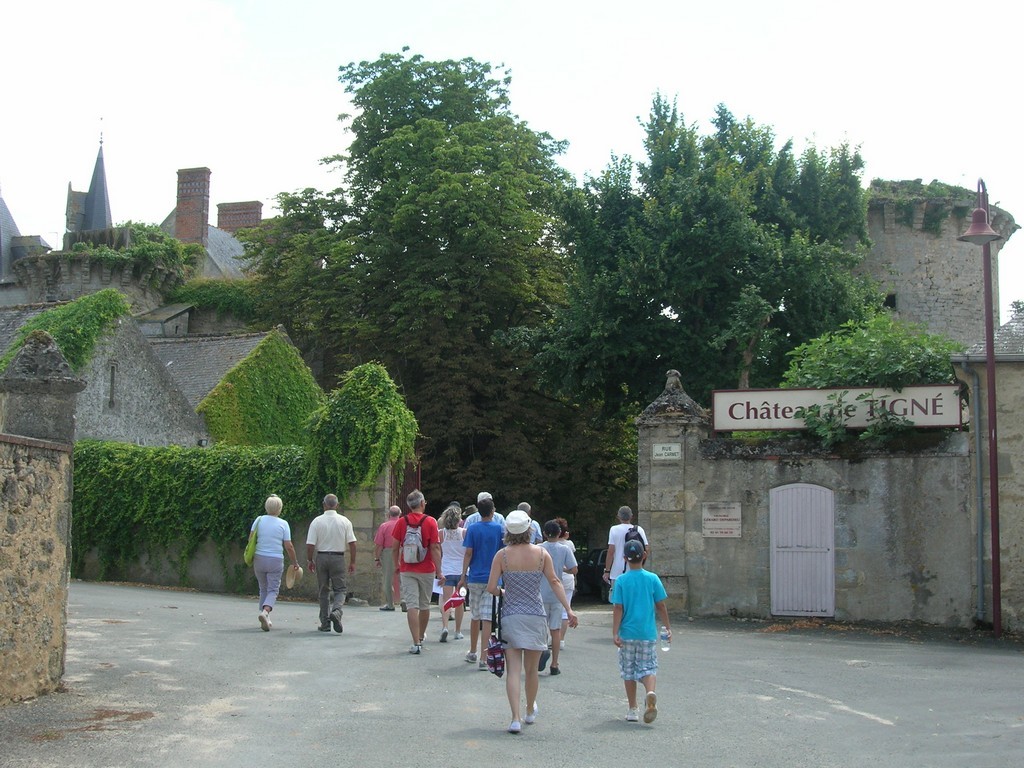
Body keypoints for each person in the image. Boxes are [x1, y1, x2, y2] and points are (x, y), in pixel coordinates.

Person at [487, 510, 578, 734]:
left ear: (508, 531)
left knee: (514, 670)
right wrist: (569, 609)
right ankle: (529, 710)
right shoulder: (540, 553)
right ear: (530, 530)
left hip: (511, 616)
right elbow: (555, 581)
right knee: (531, 671)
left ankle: (514, 718)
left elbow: (491, 588)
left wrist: (503, 591)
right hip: (536, 615)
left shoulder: (502, 556)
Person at [612, 539, 670, 724]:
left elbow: (618, 608)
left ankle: (632, 709)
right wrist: (667, 627)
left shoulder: (621, 581)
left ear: (624, 558)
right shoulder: (652, 578)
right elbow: (660, 605)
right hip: (647, 633)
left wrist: (615, 632)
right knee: (648, 667)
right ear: (644, 555)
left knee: (628, 671)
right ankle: (650, 693)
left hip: (627, 633)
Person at [391, 489, 442, 654]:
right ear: (422, 503)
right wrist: (439, 571)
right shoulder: (431, 521)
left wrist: (396, 564)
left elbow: (394, 547)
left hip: (407, 568)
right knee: (424, 604)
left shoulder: (401, 522)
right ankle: (420, 636)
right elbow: (434, 547)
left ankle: (415, 643)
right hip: (426, 568)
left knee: (412, 605)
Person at [458, 497, 505, 669]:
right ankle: (484, 658)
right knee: (488, 619)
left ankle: (472, 651)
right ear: (493, 511)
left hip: (475, 577)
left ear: (479, 512)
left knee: (475, 616)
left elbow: (468, 553)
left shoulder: (472, 529)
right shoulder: (499, 529)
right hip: (493, 579)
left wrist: (463, 576)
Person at [306, 493, 357, 634]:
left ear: (324, 505)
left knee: (323, 590)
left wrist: (310, 560)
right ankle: (336, 611)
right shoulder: (345, 521)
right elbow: (352, 543)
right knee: (340, 589)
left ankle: (325, 622)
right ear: (337, 505)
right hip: (338, 557)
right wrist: (352, 561)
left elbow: (310, 544)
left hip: (321, 557)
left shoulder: (316, 521)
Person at [248, 494, 300, 631]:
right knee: (273, 590)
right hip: (275, 560)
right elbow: (288, 546)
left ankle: (265, 617)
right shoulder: (283, 524)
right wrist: (295, 562)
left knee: (263, 588)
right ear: (280, 508)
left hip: (259, 558)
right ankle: (265, 612)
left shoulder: (259, 520)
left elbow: (251, 538)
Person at [539, 520, 577, 675]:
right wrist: (562, 570)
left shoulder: (539, 549)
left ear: (544, 533)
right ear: (559, 533)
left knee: (540, 630)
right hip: (557, 593)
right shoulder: (564, 549)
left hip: (540, 593)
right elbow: (574, 569)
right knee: (555, 630)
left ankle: (539, 655)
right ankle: (555, 664)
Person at [438, 502, 466, 641]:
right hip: (461, 572)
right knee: (460, 601)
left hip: (446, 570)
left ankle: (444, 627)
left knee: (446, 599)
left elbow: (439, 552)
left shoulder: (441, 534)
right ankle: (458, 631)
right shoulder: (464, 533)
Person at [603, 505, 649, 589]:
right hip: (635, 570)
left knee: (618, 599)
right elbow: (646, 549)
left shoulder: (614, 529)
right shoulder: (639, 529)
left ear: (618, 516)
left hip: (617, 571)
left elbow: (611, 552)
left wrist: (607, 570)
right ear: (631, 516)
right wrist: (641, 564)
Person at [373, 506, 402, 611]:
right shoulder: (404, 525)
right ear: (400, 514)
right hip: (403, 551)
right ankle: (406, 602)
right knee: (406, 577)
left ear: (388, 514)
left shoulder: (384, 526)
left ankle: (390, 603)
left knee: (387, 579)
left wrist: (377, 558)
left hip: (389, 552)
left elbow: (379, 545)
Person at [555, 517, 576, 647]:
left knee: (552, 608)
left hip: (554, 579)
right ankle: (561, 640)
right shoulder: (569, 545)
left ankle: (552, 637)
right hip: (567, 579)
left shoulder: (549, 546)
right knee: (565, 609)